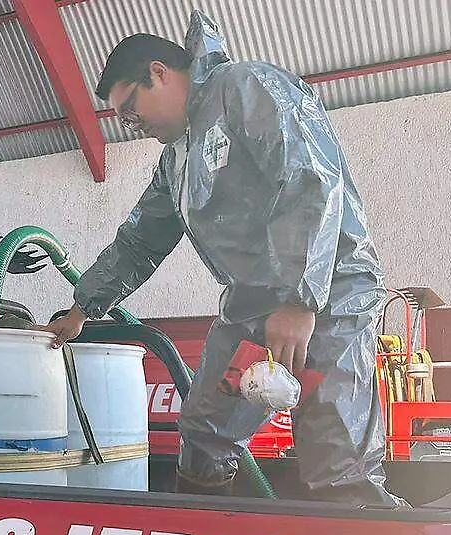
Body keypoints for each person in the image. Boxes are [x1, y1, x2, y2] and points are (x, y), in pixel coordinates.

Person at [38, 10, 406, 508]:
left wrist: (301, 301)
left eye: (131, 107)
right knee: (204, 429)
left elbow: (307, 181)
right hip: (253, 305)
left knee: (333, 448)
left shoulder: (245, 87)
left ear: (159, 72)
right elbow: (139, 241)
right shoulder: (176, 158)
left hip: (329, 290)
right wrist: (84, 309)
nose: (132, 125)